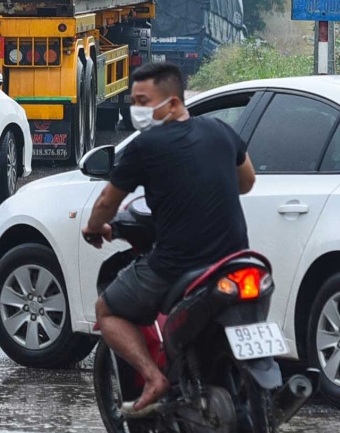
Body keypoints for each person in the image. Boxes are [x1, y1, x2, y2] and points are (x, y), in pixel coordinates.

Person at [82, 61, 257, 414]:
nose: (138, 111)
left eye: (144, 102)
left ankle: (152, 377)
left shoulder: (145, 147)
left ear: (173, 102)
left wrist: (93, 227)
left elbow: (106, 202)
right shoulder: (221, 132)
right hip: (236, 261)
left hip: (178, 266)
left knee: (107, 310)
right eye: (133, 102)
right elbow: (247, 181)